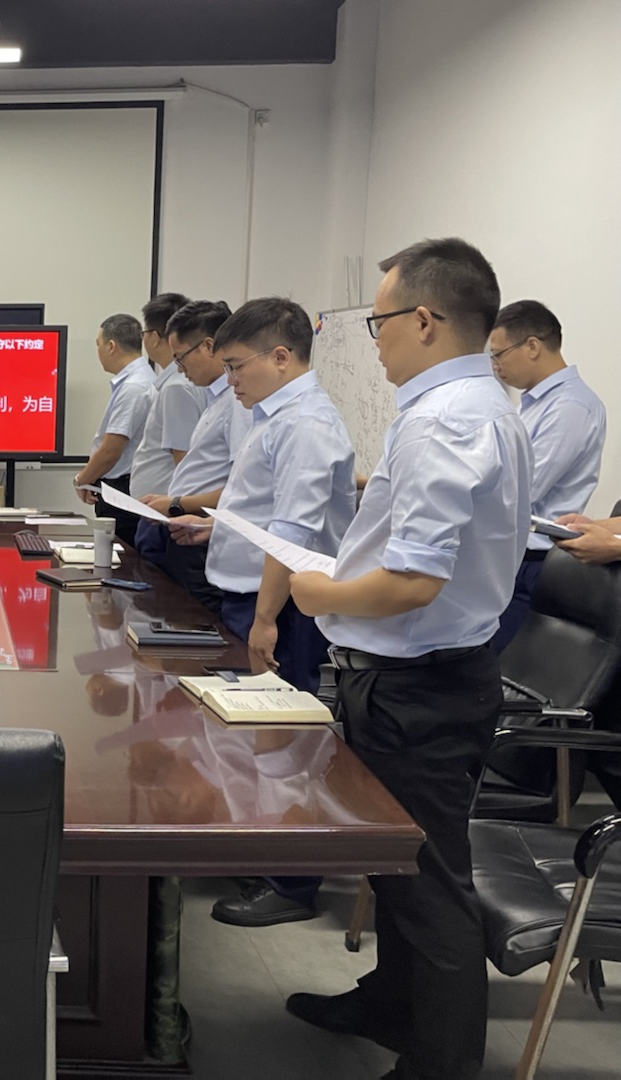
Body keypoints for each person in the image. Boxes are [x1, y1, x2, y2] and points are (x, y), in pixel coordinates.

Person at [285, 238, 528, 1080]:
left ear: (424, 320)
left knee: (429, 886)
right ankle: (391, 1004)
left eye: (378, 322)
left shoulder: (443, 419)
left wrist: (320, 592)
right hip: (427, 677)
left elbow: (414, 582)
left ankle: (442, 1064)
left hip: (418, 687)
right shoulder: (479, 405)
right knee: (397, 868)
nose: (375, 341)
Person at [168, 297, 356, 928]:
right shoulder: (272, 416)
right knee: (250, 734)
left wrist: (267, 618)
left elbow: (292, 531)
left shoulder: (305, 424)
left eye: (236, 366)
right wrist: (214, 526)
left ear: (280, 357)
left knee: (283, 741)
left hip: (281, 606)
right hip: (250, 594)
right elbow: (259, 507)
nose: (229, 380)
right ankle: (259, 851)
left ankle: (292, 883)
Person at [487, 300, 605, 651]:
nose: (495, 367)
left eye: (499, 355)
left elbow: (522, 488)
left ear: (532, 346)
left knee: (499, 663)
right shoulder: (534, 404)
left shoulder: (570, 406)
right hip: (511, 556)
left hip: (535, 562)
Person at [135, 300, 249, 615]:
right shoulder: (218, 400)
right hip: (187, 527)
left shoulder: (239, 404)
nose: (180, 369)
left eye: (181, 358)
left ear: (208, 346)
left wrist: (176, 504)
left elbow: (241, 487)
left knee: (197, 620)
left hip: (201, 533)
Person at [130, 292, 206, 557]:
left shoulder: (177, 387)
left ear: (154, 336)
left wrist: (177, 505)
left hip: (166, 516)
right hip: (167, 511)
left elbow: (182, 458)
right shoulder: (181, 382)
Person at [72, 313, 155, 544]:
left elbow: (111, 450)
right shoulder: (141, 380)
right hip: (122, 488)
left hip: (122, 494)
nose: (97, 351)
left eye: (98, 344)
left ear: (111, 346)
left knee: (120, 560)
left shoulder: (134, 387)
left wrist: (81, 480)